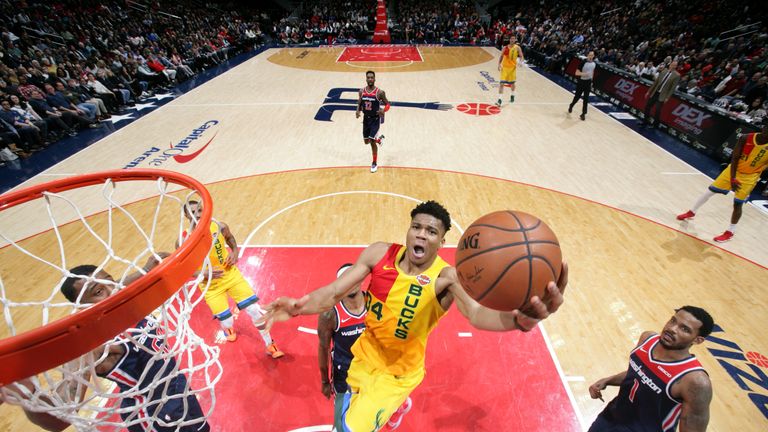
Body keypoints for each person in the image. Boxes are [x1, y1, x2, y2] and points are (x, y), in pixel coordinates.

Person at [264, 200, 568, 431]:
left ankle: (393, 402)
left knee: (346, 428)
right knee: (346, 408)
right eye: (417, 227)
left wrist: (518, 321)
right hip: (365, 355)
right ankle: (397, 410)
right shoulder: (378, 253)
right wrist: (299, 306)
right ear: (409, 230)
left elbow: (476, 314)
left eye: (431, 231)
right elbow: (333, 293)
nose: (421, 235)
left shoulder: (447, 278)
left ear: (441, 242)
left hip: (398, 373)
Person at [1, 256, 211, 432]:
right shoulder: (89, 345)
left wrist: (146, 269)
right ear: (81, 308)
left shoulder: (119, 299)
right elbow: (61, 415)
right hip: (154, 416)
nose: (113, 291)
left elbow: (116, 286)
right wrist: (24, 392)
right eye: (98, 292)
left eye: (110, 282)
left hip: (178, 389)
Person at [181, 200, 284, 358]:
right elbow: (184, 267)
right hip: (210, 285)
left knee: (255, 311)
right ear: (187, 216)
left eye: (200, 210)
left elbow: (230, 238)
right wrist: (204, 273)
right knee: (227, 320)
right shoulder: (183, 241)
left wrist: (235, 251)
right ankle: (227, 327)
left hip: (230, 274)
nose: (199, 214)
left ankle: (270, 344)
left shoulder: (219, 226)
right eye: (193, 212)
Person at [588, 306, 714, 432]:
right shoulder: (647, 339)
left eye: (684, 329)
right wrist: (608, 380)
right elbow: (638, 373)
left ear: (698, 340)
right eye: (673, 321)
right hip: (610, 418)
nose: (672, 329)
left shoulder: (694, 380)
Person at [676, 121, 768, 242]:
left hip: (750, 177)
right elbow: (734, 158)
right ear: (763, 128)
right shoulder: (746, 138)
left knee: (737, 204)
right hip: (733, 171)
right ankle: (691, 212)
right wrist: (733, 178)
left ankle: (730, 231)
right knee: (709, 191)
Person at [317, 264, 367, 431]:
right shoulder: (330, 314)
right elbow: (323, 349)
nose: (350, 283)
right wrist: (325, 381)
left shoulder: (375, 304)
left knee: (367, 420)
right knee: (340, 425)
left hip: (372, 372)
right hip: (344, 376)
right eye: (345, 280)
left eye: (353, 277)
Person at [355, 70, 389, 173]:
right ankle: (379, 139)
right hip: (366, 119)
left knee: (371, 142)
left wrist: (383, 110)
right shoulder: (361, 91)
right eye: (368, 77)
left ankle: (374, 163)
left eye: (372, 77)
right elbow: (360, 103)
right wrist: (357, 111)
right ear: (366, 79)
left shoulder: (380, 92)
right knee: (366, 141)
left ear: (374, 79)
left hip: (375, 119)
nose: (370, 79)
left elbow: (388, 104)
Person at [642, 61, 680, 128]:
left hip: (663, 95)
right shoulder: (663, 71)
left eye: (675, 65)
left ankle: (655, 125)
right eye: (672, 65)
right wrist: (648, 92)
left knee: (657, 110)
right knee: (647, 106)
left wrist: (667, 98)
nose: (673, 66)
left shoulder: (677, 75)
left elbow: (672, 88)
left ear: (676, 66)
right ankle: (645, 121)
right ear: (670, 65)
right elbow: (655, 83)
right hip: (655, 92)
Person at [496, 34, 525, 106]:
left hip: (512, 68)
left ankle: (512, 95)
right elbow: (501, 56)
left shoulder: (517, 48)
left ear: (515, 40)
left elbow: (521, 56)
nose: (512, 40)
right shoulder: (505, 47)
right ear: (509, 39)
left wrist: (521, 62)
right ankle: (500, 100)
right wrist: (499, 64)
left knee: (512, 84)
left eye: (513, 39)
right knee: (501, 84)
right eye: (511, 38)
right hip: (504, 68)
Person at [568, 51, 596, 121]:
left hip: (588, 83)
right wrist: (584, 74)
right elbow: (576, 73)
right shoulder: (583, 62)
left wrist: (591, 80)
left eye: (592, 55)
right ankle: (571, 105)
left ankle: (583, 114)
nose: (590, 56)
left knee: (586, 99)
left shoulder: (594, 64)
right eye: (589, 55)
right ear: (587, 55)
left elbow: (592, 72)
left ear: (593, 56)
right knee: (577, 97)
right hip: (581, 82)